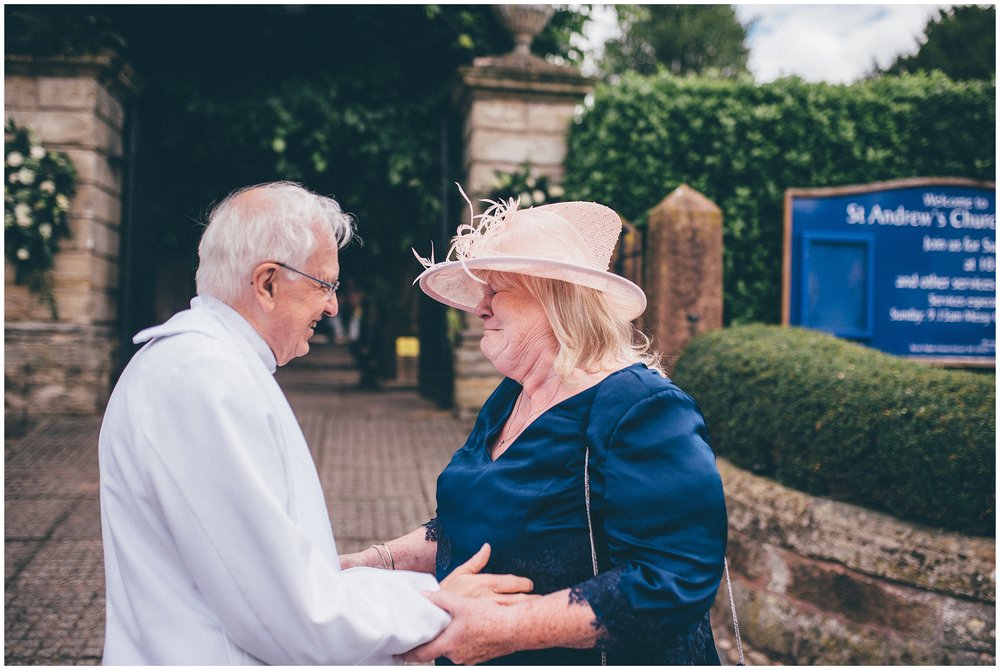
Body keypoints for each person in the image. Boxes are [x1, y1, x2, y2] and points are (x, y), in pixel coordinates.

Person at [98, 181, 530, 665]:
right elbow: (289, 615)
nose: (333, 307)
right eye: (325, 284)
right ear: (267, 283)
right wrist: (438, 605)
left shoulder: (203, 364)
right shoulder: (204, 380)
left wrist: (361, 574)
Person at [341, 192, 728, 664]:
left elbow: (673, 578)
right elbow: (469, 527)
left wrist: (507, 628)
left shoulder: (642, 407)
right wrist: (368, 564)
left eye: (495, 290)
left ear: (553, 298)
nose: (479, 307)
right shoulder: (509, 396)